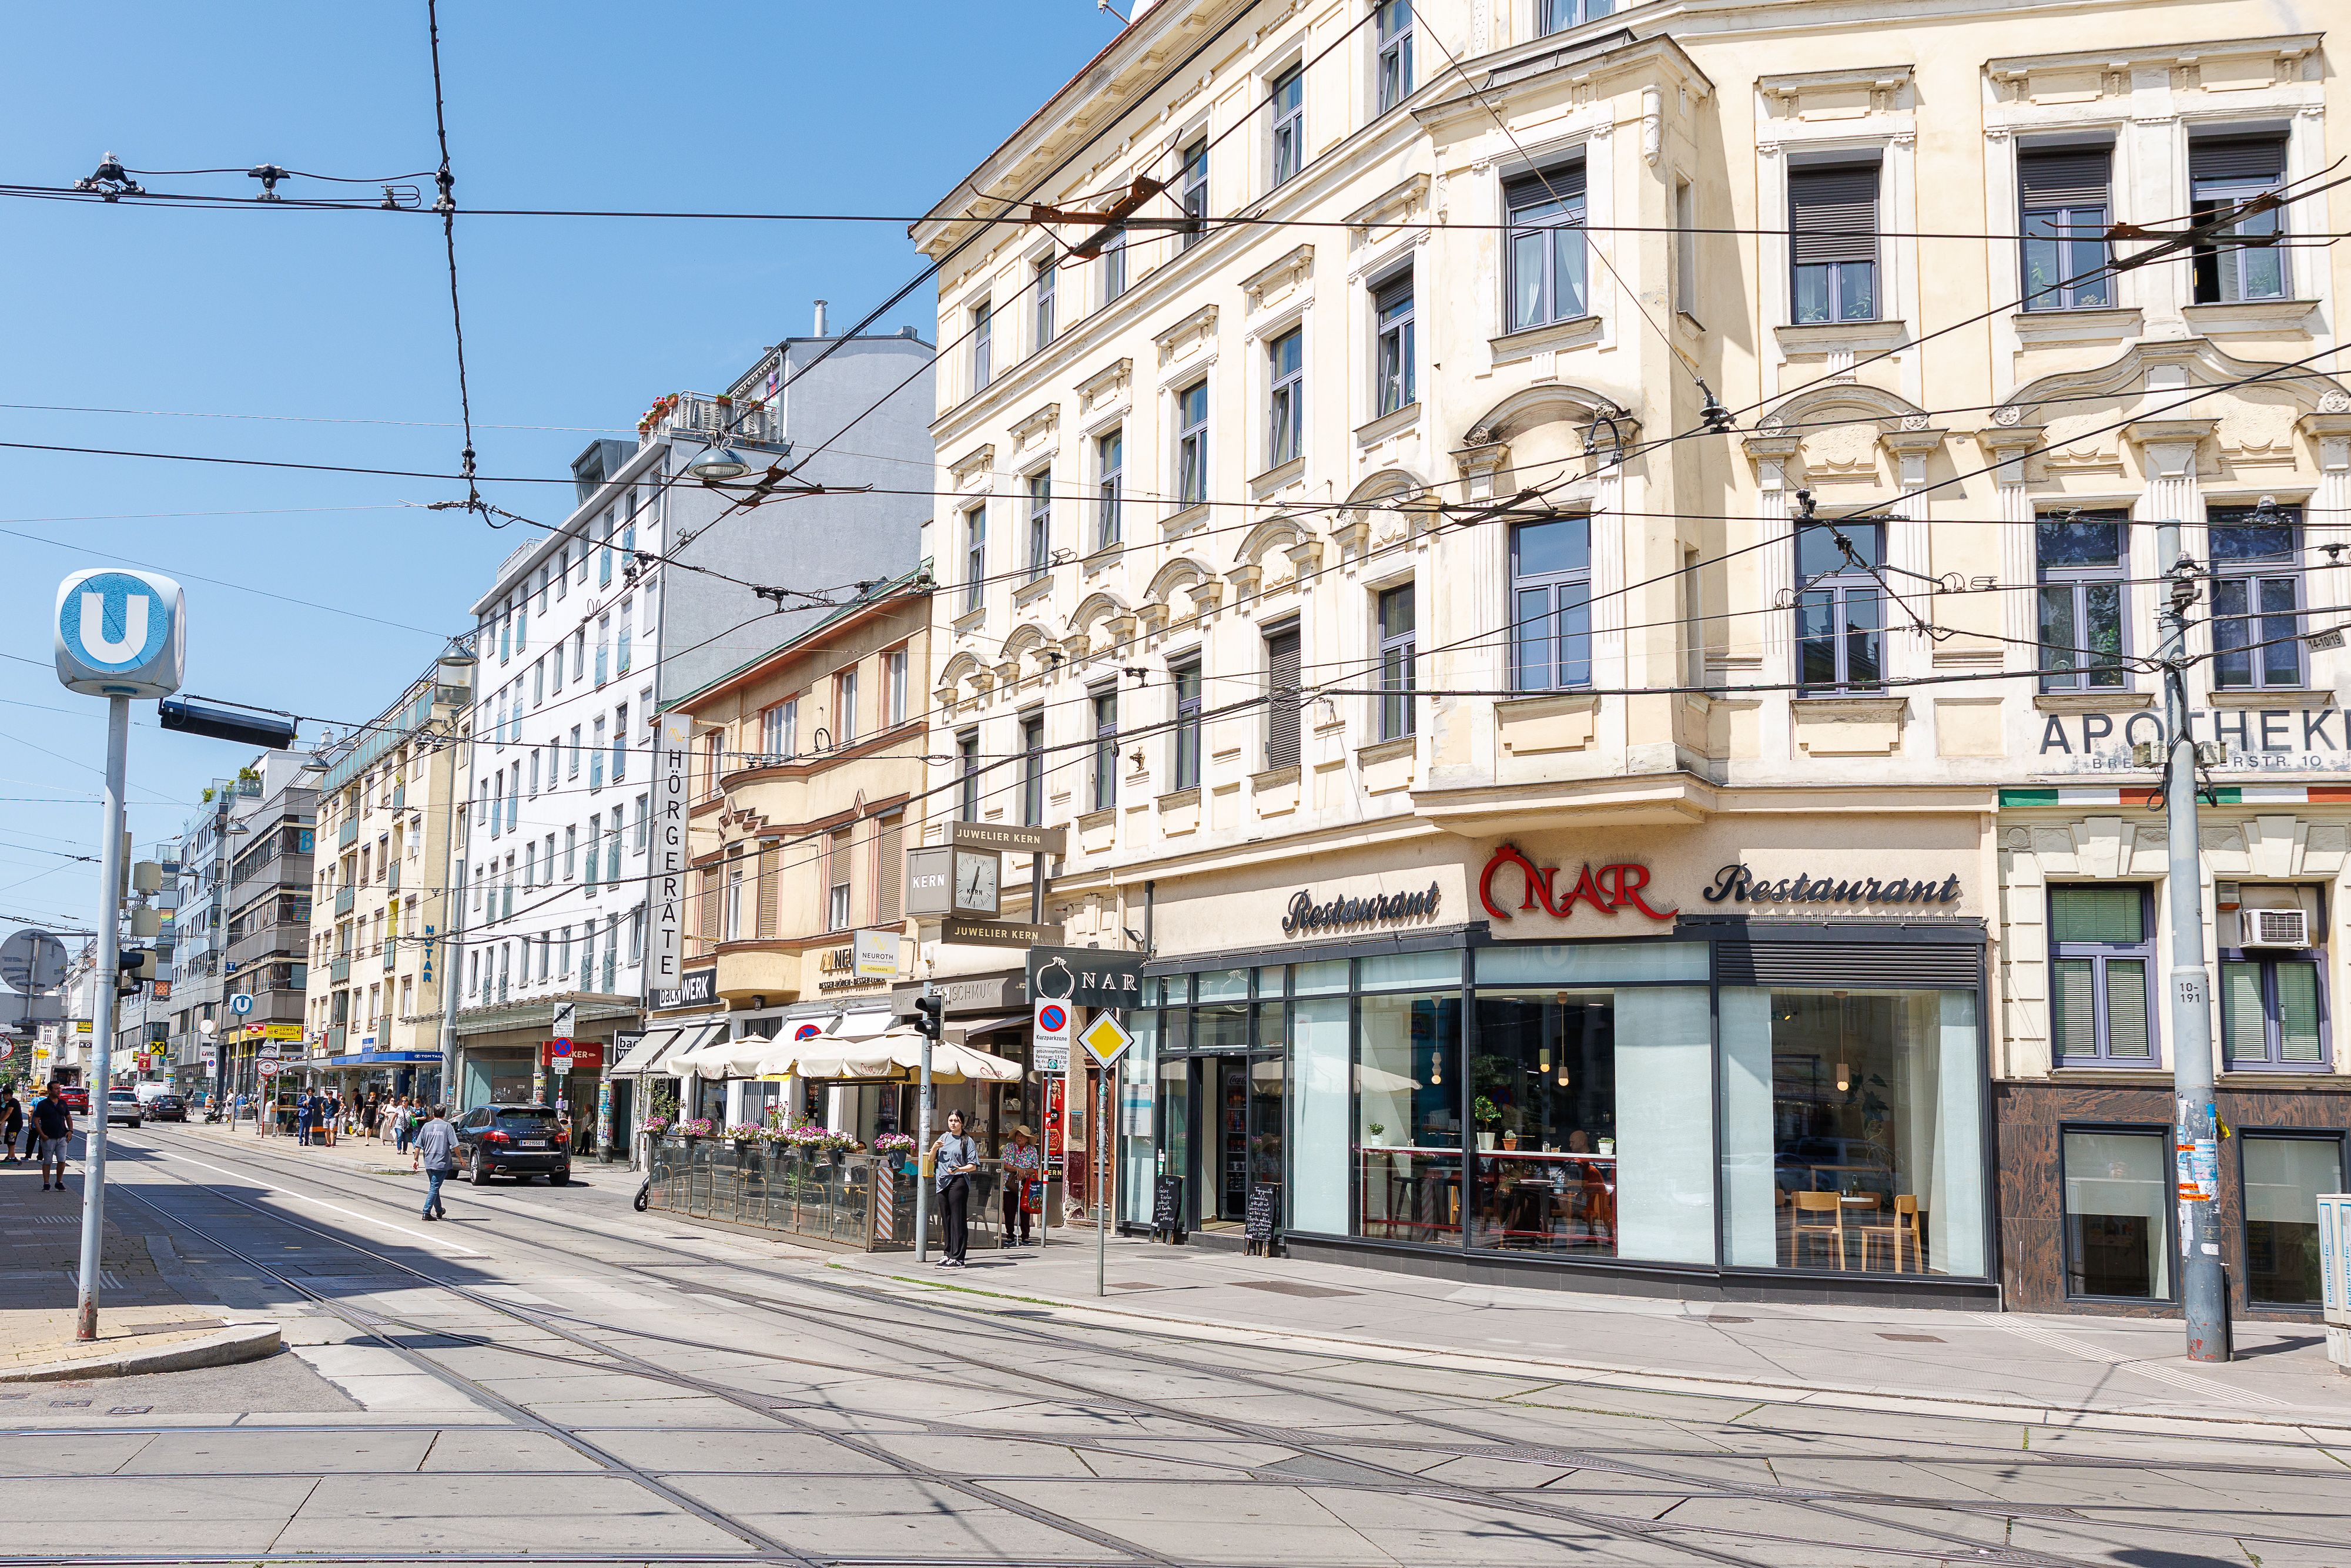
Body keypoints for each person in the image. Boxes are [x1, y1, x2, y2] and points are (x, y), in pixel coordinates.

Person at [931, 1109, 980, 1268]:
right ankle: (948, 1253)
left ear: (962, 1123)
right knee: (947, 1219)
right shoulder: (943, 1138)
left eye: (956, 1121)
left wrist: (959, 1169)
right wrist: (934, 1148)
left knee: (958, 1219)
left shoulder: (967, 1141)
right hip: (942, 1182)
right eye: (951, 1120)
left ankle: (958, 1257)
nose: (953, 1123)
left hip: (958, 1181)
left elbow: (973, 1166)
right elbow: (932, 1159)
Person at [411, 1104, 457, 1220]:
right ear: (444, 1114)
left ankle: (439, 1210)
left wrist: (415, 1160)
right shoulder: (447, 1126)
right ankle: (426, 1212)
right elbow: (455, 1145)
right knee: (434, 1187)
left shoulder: (426, 1126)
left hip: (429, 1162)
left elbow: (418, 1145)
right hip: (441, 1163)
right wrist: (461, 1158)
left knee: (434, 1186)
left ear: (433, 1114)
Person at [999, 1123, 1041, 1249]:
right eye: (1018, 1135)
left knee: (1025, 1210)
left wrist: (1023, 1172)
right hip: (1009, 1184)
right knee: (1009, 1210)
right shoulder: (1009, 1147)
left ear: (1027, 1138)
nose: (1019, 1138)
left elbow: (1035, 1169)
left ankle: (1025, 1236)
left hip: (1025, 1185)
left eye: (1023, 1136)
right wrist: (1018, 1169)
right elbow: (1004, 1164)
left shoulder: (1032, 1150)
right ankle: (1010, 1235)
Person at [31, 1084, 73, 1192]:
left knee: (62, 1160)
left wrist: (70, 1131)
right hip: (48, 1137)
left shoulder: (63, 1103)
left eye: (59, 1088)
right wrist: (42, 1135)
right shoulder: (42, 1104)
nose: (59, 1091)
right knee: (48, 1161)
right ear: (49, 1091)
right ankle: (46, 1183)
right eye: (56, 1089)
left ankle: (59, 1182)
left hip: (62, 1137)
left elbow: (68, 1117)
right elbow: (36, 1120)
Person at [2, 1091, 22, 1164]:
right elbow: (3, 1113)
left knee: (11, 1141)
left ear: (8, 1095)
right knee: (8, 1141)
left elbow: (9, 1113)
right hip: (11, 1124)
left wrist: (1, 1121)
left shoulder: (13, 1101)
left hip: (15, 1125)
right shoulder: (8, 1103)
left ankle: (9, 1158)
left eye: (4, 1095)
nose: (3, 1097)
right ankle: (13, 1157)